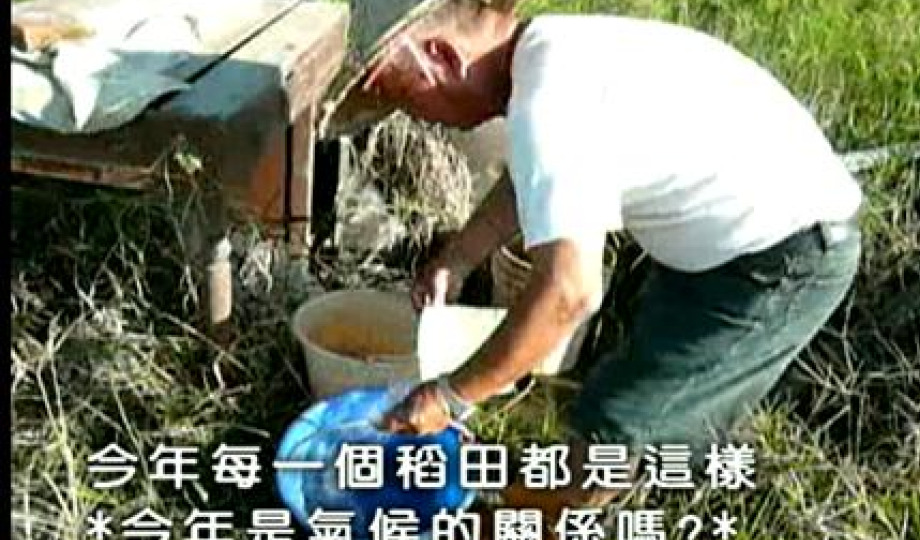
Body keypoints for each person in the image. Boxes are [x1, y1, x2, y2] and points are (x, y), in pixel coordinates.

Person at [320, 0, 863, 531]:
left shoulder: (549, 99)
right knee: (633, 393)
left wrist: (449, 396)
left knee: (616, 426)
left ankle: (521, 518)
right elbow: (535, 176)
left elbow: (569, 293)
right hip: (726, 239)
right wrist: (459, 259)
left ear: (441, 56)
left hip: (783, 259)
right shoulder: (549, 51)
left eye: (398, 97)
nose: (414, 116)